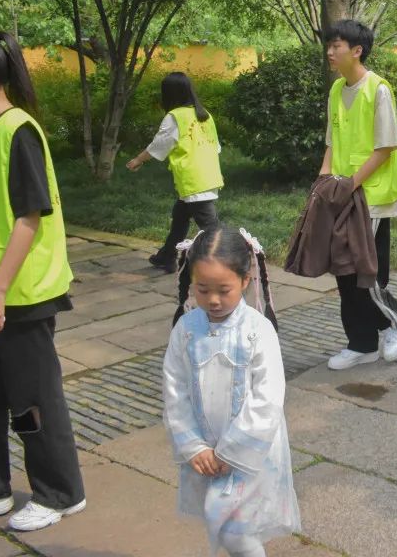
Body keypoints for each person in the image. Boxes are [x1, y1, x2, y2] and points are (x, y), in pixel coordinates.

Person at [0, 30, 85, 531]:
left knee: (33, 399)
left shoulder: (19, 131)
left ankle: (60, 493)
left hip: (21, 295)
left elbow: (29, 218)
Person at [163, 225, 301, 557]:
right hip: (205, 451)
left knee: (236, 532)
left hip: (249, 453)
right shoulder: (186, 330)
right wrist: (193, 446)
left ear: (245, 280)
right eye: (203, 289)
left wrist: (231, 452)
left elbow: (268, 397)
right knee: (223, 524)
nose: (213, 300)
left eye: (223, 290)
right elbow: (174, 390)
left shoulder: (258, 330)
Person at [320, 19, 397, 369]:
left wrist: (350, 183)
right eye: (329, 45)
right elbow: (332, 141)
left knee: (366, 272)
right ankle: (361, 344)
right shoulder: (336, 89)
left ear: (357, 50)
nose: (330, 52)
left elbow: (385, 147)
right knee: (343, 271)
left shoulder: (378, 89)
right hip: (343, 193)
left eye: (336, 46)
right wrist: (323, 183)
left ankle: (394, 321)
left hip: (371, 197)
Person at [127, 72, 224, 272]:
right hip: (208, 174)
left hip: (193, 180)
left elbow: (159, 145)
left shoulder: (175, 117)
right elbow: (216, 147)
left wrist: (138, 160)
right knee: (180, 217)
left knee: (211, 229)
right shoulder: (204, 114)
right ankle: (167, 256)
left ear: (169, 94)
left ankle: (230, 264)